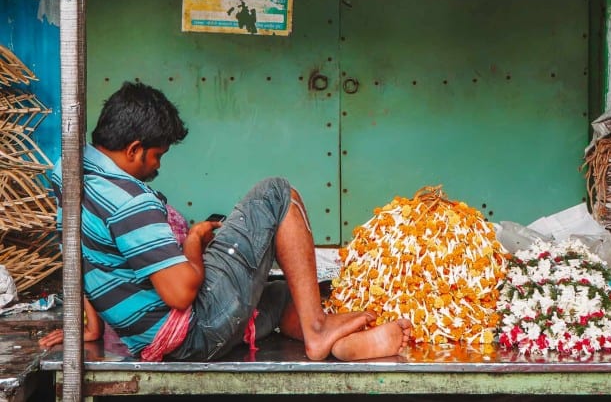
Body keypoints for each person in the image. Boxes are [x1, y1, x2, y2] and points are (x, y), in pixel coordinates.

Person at [39, 81, 411, 361]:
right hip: (193, 333)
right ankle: (317, 329)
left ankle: (342, 344)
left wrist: (88, 327)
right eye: (156, 156)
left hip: (158, 339)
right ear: (134, 149)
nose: (158, 166)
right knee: (277, 193)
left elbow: (78, 255)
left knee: (281, 296)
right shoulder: (130, 200)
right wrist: (193, 244)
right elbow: (181, 293)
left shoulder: (69, 177)